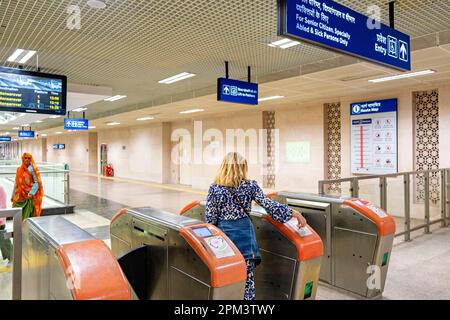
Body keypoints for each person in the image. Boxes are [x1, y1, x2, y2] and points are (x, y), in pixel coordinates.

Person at [205, 152, 307, 300]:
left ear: (224, 167)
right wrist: (292, 212)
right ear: (243, 167)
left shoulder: (215, 189)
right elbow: (268, 205)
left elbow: (210, 218)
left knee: (227, 279)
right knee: (247, 281)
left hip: (224, 242)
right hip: (245, 239)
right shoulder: (250, 186)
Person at [11, 153, 44, 219]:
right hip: (19, 196)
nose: (27, 159)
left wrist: (31, 193)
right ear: (23, 159)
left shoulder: (32, 169)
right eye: (25, 158)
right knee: (18, 215)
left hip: (29, 197)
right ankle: (19, 228)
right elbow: (16, 183)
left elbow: (37, 182)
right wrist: (12, 195)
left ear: (31, 160)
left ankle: (26, 228)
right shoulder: (19, 169)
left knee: (27, 216)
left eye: (29, 158)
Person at [0, 185, 12, 265]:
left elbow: (3, 205)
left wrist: (1, 219)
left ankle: (12, 257)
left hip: (0, 221)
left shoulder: (1, 189)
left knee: (4, 240)